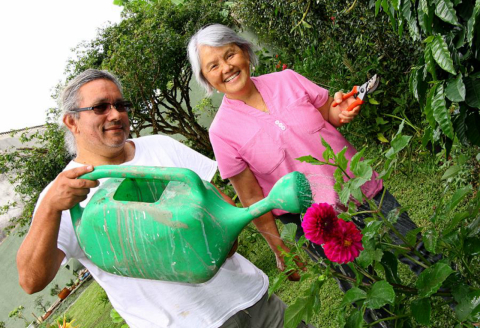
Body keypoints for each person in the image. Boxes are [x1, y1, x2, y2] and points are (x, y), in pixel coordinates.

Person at [16, 69, 313, 328]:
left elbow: (226, 216)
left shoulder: (160, 147)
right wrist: (50, 208)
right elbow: (31, 280)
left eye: (120, 104)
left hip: (252, 301)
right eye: (100, 107)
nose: (116, 114)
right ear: (72, 122)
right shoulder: (65, 192)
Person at [187, 24, 425, 284]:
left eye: (230, 54)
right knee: (362, 288)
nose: (226, 67)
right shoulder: (222, 132)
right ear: (206, 78)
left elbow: (329, 115)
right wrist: (281, 249)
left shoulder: (287, 79)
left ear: (244, 51)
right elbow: (254, 199)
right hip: (314, 222)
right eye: (213, 65)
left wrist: (342, 110)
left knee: (416, 250)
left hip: (357, 186)